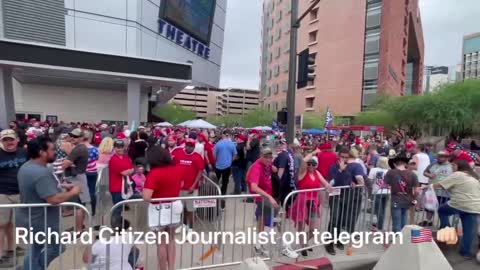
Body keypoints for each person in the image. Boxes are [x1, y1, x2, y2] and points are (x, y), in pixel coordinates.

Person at [17, 136, 81, 270]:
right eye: (52, 150)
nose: (55, 152)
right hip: (41, 220)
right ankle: (34, 268)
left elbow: (39, 187)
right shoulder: (41, 172)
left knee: (35, 248)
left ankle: (30, 267)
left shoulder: (28, 166)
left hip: (30, 217)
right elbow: (53, 199)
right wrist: (73, 192)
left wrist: (60, 184)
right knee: (57, 247)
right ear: (42, 152)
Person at [246, 148, 298, 259]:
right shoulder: (256, 167)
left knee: (263, 221)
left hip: (268, 196)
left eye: (270, 157)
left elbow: (274, 169)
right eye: (266, 157)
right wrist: (269, 197)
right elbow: (253, 187)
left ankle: (259, 245)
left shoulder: (268, 165)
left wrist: (274, 169)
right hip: (262, 198)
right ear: (261, 155)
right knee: (275, 221)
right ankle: (284, 246)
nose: (268, 159)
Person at [143, 146, 183, 270]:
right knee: (171, 240)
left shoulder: (154, 173)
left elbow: (146, 196)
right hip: (174, 206)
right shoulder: (176, 168)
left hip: (159, 210)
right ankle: (171, 267)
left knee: (161, 243)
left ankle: (163, 268)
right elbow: (181, 184)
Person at [432, 159, 480, 258]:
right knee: (468, 230)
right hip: (475, 206)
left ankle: (448, 231)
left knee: (442, 210)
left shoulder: (458, 174)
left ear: (459, 166)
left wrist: (427, 187)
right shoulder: (474, 176)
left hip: (459, 203)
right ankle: (465, 252)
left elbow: (440, 184)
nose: (452, 168)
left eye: (453, 166)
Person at [289, 151, 331, 256]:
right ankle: (302, 245)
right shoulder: (303, 172)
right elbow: (303, 161)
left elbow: (325, 183)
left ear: (316, 165)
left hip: (313, 201)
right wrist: (314, 152)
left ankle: (304, 242)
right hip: (302, 201)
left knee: (314, 228)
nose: (311, 166)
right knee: (301, 226)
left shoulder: (317, 173)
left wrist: (328, 187)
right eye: (309, 164)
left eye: (313, 164)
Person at [325, 148, 365, 255]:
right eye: (342, 157)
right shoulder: (334, 167)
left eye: (346, 157)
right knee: (334, 219)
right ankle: (329, 243)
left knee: (341, 220)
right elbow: (333, 182)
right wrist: (340, 170)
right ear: (338, 156)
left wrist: (353, 183)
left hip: (347, 197)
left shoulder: (349, 168)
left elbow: (348, 180)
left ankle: (338, 239)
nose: (344, 159)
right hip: (335, 196)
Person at [0, 129, 27, 266]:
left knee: (13, 224)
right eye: (5, 140)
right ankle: (1, 254)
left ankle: (10, 249)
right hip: (2, 193)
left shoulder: (24, 152)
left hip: (20, 193)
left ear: (17, 140)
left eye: (11, 139)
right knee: (1, 225)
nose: (9, 142)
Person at [171, 138, 204, 235]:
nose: (189, 147)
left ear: (194, 147)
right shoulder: (178, 153)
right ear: (185, 145)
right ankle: (184, 225)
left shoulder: (197, 157)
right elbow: (172, 165)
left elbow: (200, 171)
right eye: (187, 145)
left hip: (191, 188)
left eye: (191, 146)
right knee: (182, 208)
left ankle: (190, 228)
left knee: (191, 209)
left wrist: (193, 185)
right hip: (179, 187)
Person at [61, 128, 91, 233]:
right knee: (80, 205)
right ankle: (80, 227)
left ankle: (78, 230)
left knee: (78, 205)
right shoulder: (80, 148)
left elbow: (64, 164)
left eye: (76, 136)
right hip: (78, 177)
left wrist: (68, 160)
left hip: (76, 178)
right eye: (72, 136)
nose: (73, 138)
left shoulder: (78, 149)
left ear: (82, 138)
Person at [384, 153, 419, 233]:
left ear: (395, 163)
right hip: (408, 199)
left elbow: (385, 185)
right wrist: (413, 197)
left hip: (396, 199)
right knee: (404, 220)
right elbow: (417, 191)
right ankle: (402, 240)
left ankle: (396, 241)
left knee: (396, 222)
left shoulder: (391, 173)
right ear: (405, 163)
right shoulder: (413, 174)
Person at [419, 151, 453, 227]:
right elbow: (424, 172)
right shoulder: (433, 164)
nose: (439, 158)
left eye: (441, 157)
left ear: (447, 157)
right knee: (429, 207)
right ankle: (428, 221)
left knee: (442, 208)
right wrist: (429, 175)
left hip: (444, 192)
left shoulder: (451, 166)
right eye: (438, 156)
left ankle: (444, 225)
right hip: (432, 190)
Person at [108, 140, 134, 221]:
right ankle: (115, 227)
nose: (119, 149)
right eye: (117, 147)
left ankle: (119, 225)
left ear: (124, 148)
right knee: (117, 208)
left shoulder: (126, 158)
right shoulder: (113, 159)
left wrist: (129, 171)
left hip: (126, 186)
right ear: (114, 148)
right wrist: (128, 171)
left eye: (121, 147)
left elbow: (132, 168)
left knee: (121, 207)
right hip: (116, 187)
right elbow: (124, 172)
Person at [367, 157, 390, 231]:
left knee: (378, 210)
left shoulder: (373, 170)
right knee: (382, 209)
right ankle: (379, 224)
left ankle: (379, 227)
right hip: (387, 191)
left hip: (377, 191)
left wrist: (369, 192)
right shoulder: (389, 171)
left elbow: (370, 181)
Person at [273, 139, 297, 209]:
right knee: (285, 201)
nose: (280, 145)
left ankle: (280, 215)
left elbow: (281, 168)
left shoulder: (283, 155)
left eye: (282, 144)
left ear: (287, 145)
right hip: (289, 182)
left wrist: (277, 181)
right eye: (279, 144)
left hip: (282, 182)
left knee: (281, 200)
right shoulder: (289, 154)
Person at [214, 131, 237, 195]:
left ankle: (215, 193)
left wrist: (216, 160)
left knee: (216, 181)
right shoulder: (232, 144)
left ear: (222, 136)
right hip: (227, 166)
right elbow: (235, 154)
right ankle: (223, 194)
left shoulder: (218, 144)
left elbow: (214, 155)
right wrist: (231, 161)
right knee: (225, 182)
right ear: (228, 136)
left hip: (218, 165)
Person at [83, 131, 99, 217]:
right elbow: (97, 158)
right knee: (92, 191)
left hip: (83, 172)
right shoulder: (94, 149)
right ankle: (93, 210)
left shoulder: (79, 148)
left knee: (83, 191)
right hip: (93, 172)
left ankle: (82, 209)